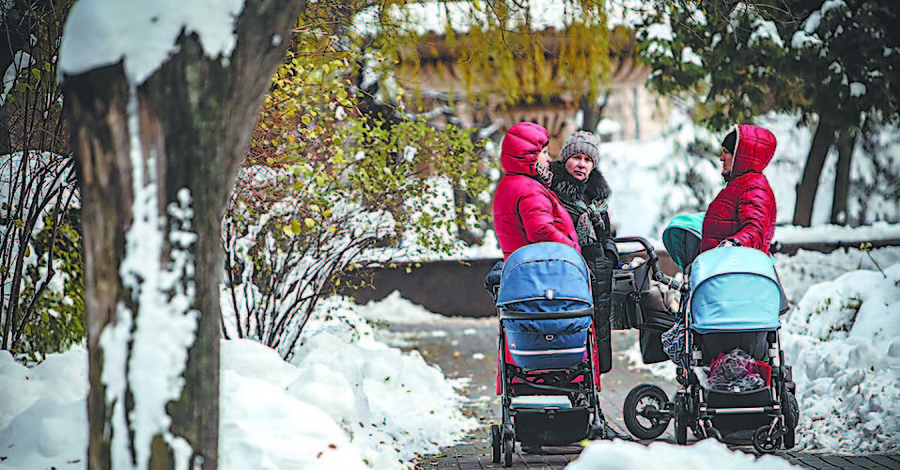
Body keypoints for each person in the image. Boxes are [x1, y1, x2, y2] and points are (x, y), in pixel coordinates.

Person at [549, 130, 617, 375]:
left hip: (598, 269)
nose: (581, 164)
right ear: (566, 158)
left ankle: (593, 376)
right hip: (569, 268)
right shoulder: (554, 189)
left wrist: (609, 255)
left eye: (588, 160)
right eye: (576, 157)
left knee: (598, 326)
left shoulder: (598, 197)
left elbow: (607, 232)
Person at [492, 121, 580, 260]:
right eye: (544, 153)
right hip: (546, 270)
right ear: (528, 155)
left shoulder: (509, 184)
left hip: (522, 268)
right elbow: (542, 232)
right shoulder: (529, 189)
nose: (549, 159)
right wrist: (573, 250)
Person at [700, 124, 777, 254]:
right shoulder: (738, 185)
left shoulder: (753, 187)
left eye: (726, 152)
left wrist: (734, 244)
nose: (721, 158)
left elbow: (756, 228)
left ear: (739, 155)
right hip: (723, 267)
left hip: (736, 269)